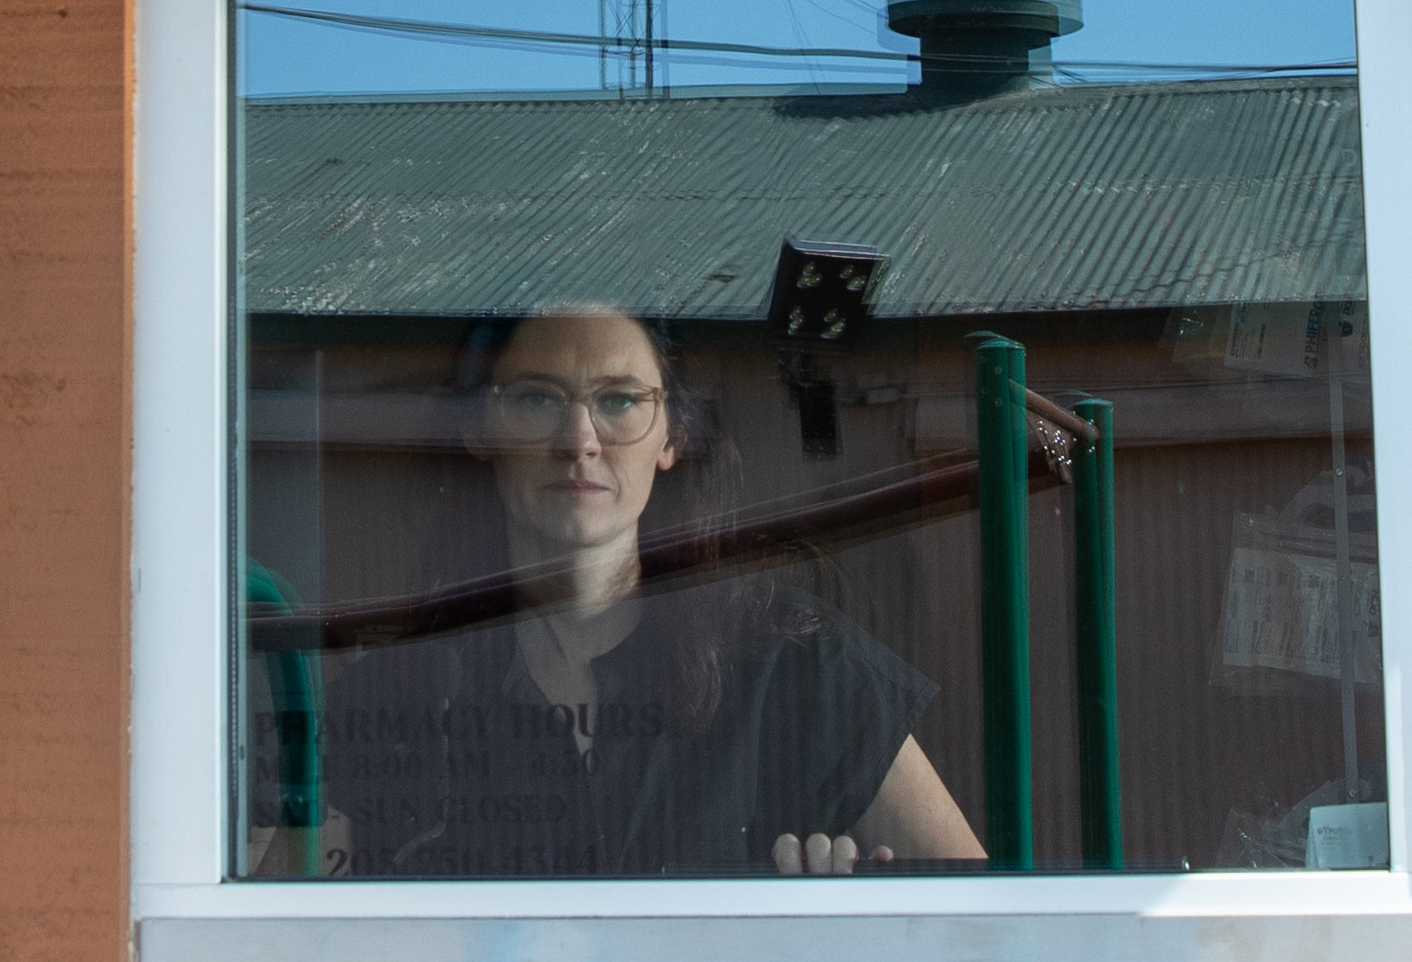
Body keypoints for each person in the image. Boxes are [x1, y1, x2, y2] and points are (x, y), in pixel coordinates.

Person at [306, 305, 985, 880]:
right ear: (479, 427)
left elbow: (977, 926)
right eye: (538, 398)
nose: (579, 442)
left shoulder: (796, 662)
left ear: (673, 435)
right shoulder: (398, 693)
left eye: (620, 400)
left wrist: (839, 933)